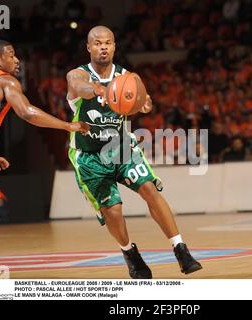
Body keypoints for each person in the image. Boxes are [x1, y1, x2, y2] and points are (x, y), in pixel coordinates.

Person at [66, 26, 202, 279]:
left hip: (120, 148)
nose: (103, 47)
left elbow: (143, 103)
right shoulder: (77, 75)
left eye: (108, 43)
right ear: (89, 47)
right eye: (97, 43)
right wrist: (99, 90)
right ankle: (130, 253)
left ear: (115, 46)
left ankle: (180, 248)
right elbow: (80, 88)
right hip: (89, 156)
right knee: (113, 210)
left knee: (149, 189)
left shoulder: (128, 77)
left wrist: (144, 104)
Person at [0, 40, 89, 278]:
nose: (17, 60)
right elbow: (27, 112)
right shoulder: (4, 80)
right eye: (11, 55)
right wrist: (67, 125)